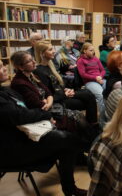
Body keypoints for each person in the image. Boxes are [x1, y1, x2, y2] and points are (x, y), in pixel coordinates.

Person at [0, 60, 87, 196]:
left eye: (3, 65)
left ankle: (71, 186)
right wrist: (46, 115)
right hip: (12, 149)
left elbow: (26, 109)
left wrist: (44, 112)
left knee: (67, 138)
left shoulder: (6, 89)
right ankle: (90, 157)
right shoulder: (9, 91)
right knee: (66, 138)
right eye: (0, 67)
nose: (5, 68)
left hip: (24, 133)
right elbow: (19, 115)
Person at [33, 41, 98, 125]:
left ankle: (92, 124)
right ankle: (92, 125)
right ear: (42, 53)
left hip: (62, 94)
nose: (54, 51)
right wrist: (65, 94)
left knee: (88, 94)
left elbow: (56, 85)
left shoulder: (50, 65)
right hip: (58, 100)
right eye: (50, 49)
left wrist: (65, 89)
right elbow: (48, 95)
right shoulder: (39, 71)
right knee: (88, 100)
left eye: (53, 48)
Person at [77, 43, 106, 118]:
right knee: (101, 95)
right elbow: (83, 74)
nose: (93, 52)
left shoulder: (95, 58)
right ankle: (102, 119)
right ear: (84, 51)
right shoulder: (81, 61)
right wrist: (96, 78)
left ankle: (108, 114)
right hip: (90, 82)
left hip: (99, 79)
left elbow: (103, 70)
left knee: (110, 90)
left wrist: (100, 77)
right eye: (91, 50)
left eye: (93, 50)